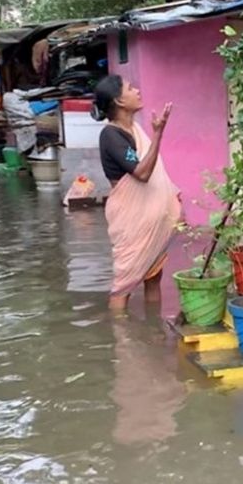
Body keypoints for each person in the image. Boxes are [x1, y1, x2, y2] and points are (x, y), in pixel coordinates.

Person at [92, 75, 182, 311]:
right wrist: (159, 134)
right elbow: (142, 173)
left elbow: (154, 174)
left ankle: (153, 333)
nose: (137, 91)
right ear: (119, 101)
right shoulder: (111, 135)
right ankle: (122, 341)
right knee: (124, 285)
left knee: (154, 278)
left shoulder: (134, 129)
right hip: (132, 220)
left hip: (150, 218)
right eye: (130, 88)